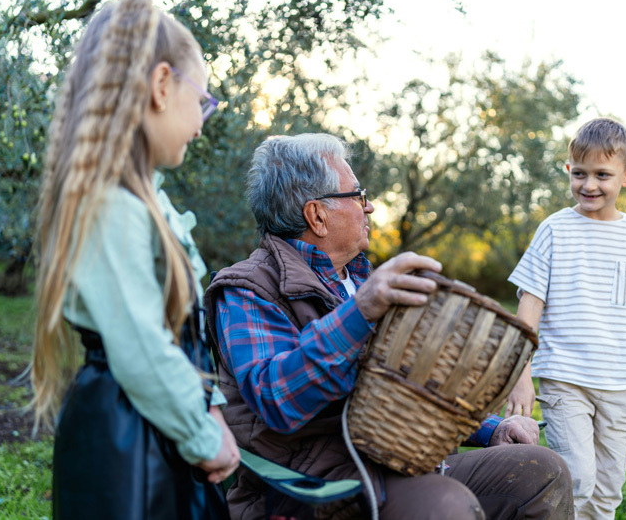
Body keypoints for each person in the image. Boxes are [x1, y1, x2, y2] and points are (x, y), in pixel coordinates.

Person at [204, 133, 574, 520]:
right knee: (444, 505)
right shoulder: (247, 290)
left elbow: (404, 389)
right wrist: (361, 311)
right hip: (314, 487)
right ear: (317, 215)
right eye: (358, 195)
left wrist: (490, 430)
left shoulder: (362, 280)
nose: (371, 207)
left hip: (396, 465)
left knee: (541, 472)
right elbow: (276, 398)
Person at [31, 0, 239, 519]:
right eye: (203, 100)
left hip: (155, 427)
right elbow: (141, 349)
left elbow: (177, 339)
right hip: (126, 442)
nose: (202, 121)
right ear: (162, 85)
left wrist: (209, 412)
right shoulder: (109, 206)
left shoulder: (144, 202)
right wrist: (201, 434)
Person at [505, 117, 626, 519]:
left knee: (608, 490)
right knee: (577, 479)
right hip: (565, 376)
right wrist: (521, 373)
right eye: (579, 174)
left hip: (623, 383)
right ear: (569, 170)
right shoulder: (554, 230)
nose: (590, 185)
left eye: (603, 174)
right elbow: (529, 304)